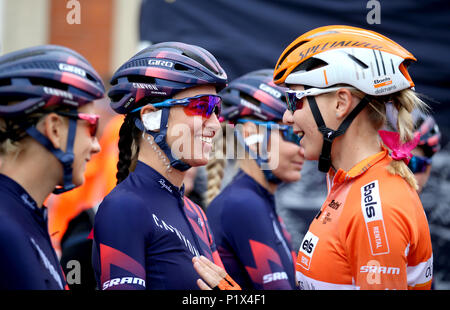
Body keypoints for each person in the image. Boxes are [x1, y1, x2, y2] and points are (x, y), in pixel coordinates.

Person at [193, 25, 433, 290]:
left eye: (295, 101)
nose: (287, 117)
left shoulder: (377, 208)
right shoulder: (347, 182)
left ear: (341, 103)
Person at [91, 42, 235, 290]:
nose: (214, 125)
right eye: (201, 107)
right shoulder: (124, 208)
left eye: (217, 109)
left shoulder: (196, 213)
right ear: (150, 117)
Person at [0, 45, 105, 289]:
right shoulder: (6, 231)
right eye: (91, 126)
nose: (96, 146)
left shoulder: (25, 214)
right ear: (54, 129)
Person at [205, 69, 303, 289]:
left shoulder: (256, 199)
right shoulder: (243, 204)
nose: (302, 149)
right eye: (290, 135)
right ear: (249, 134)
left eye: (301, 134)